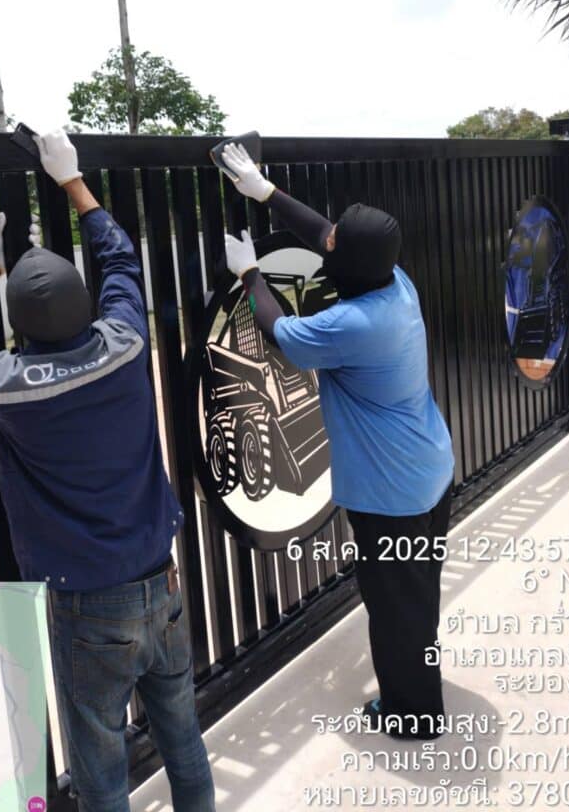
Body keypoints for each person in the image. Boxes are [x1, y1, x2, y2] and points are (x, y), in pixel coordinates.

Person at [0, 129, 215, 811]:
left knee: (99, 765)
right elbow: (120, 261)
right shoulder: (124, 342)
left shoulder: (8, 383)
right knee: (182, 734)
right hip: (162, 581)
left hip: (88, 604)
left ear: (19, 325)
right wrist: (73, 183)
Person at [221, 142, 454, 741]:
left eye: (335, 248)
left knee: (395, 605)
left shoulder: (354, 324)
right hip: (428, 471)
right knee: (416, 594)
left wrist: (249, 273)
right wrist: (264, 191)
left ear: (349, 260)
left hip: (392, 494)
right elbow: (327, 233)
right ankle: (419, 683)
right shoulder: (394, 282)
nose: (328, 247)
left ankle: (414, 714)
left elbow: (281, 332)